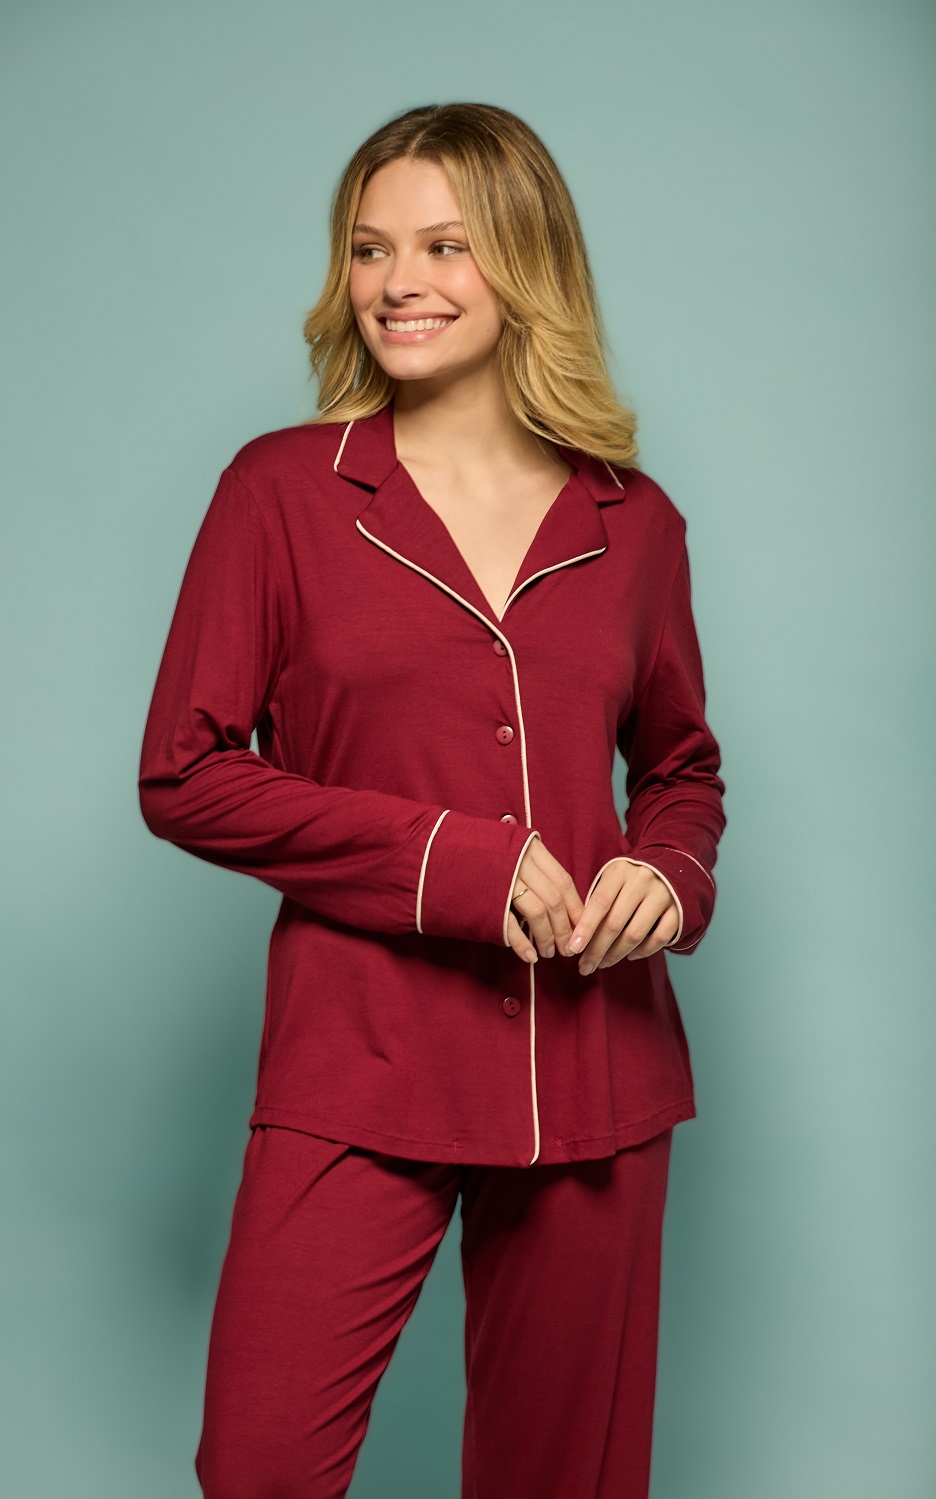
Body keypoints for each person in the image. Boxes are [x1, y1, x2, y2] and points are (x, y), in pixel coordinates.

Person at [138, 101, 726, 1499]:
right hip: (359, 1052)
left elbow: (682, 769)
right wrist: (449, 860)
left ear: (525, 264)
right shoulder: (280, 494)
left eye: (444, 246)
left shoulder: (635, 521)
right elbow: (187, 772)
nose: (398, 282)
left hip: (594, 1063)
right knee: (261, 1466)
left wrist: (668, 875)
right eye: (370, 248)